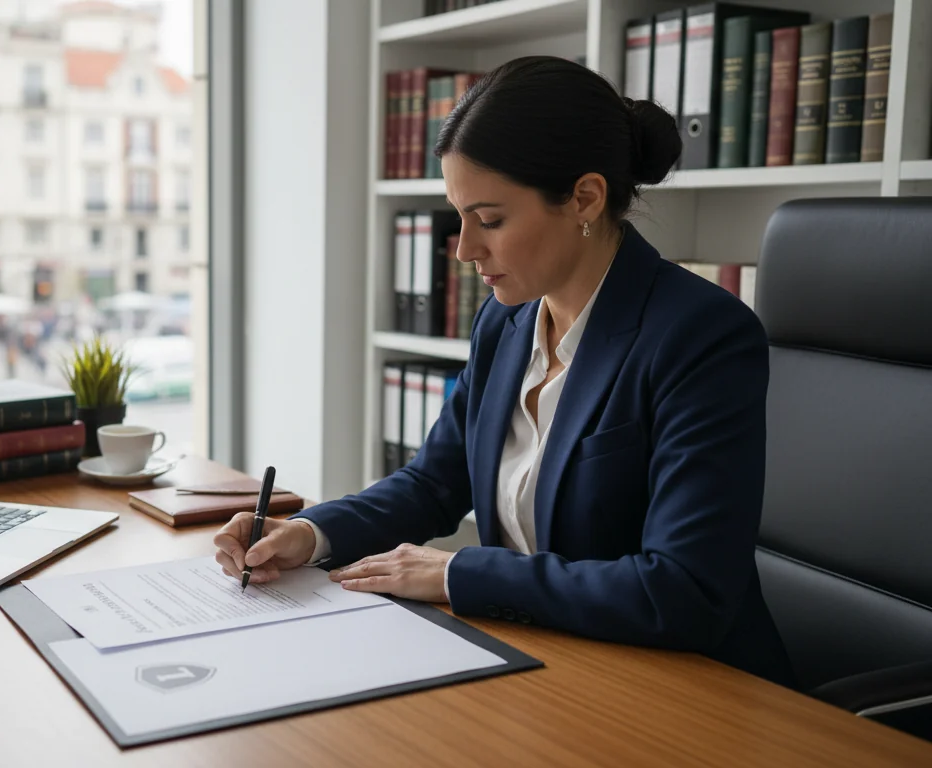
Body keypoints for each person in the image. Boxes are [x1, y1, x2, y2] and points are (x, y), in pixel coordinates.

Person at [213, 57, 793, 687]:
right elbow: (435, 483)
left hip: (687, 686)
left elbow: (684, 590)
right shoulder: (506, 320)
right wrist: (310, 533)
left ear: (585, 198)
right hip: (547, 661)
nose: (464, 249)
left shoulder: (701, 335)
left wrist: (456, 573)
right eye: (459, 215)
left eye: (489, 220)